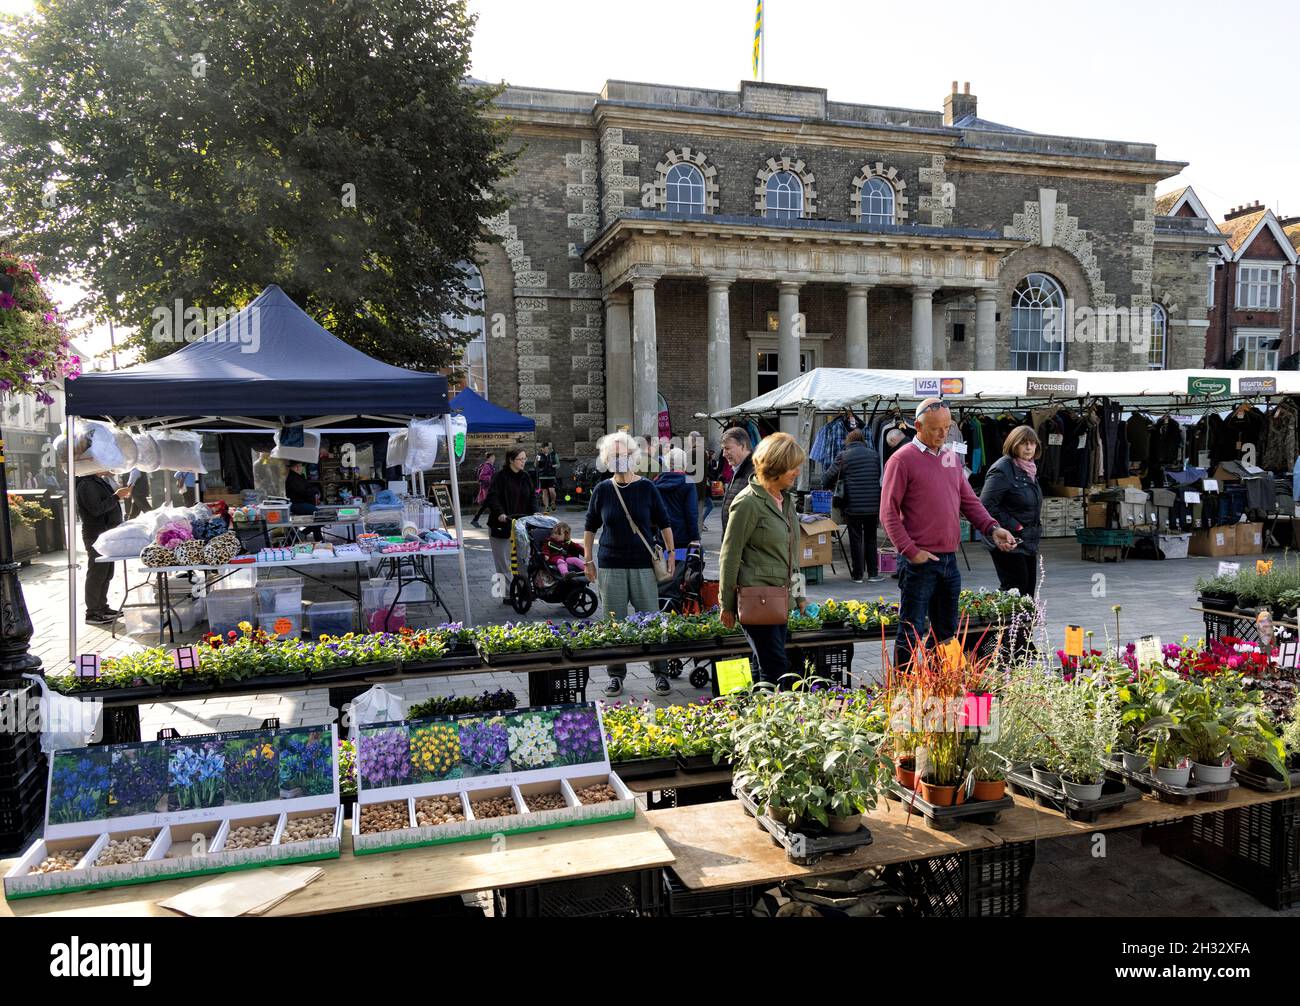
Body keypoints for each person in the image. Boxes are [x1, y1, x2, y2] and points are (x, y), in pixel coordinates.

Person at [880, 398, 1016, 667]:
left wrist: (992, 528)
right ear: (917, 426)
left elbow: (969, 501)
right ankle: (903, 691)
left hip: (949, 561)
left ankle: (938, 686)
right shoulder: (902, 460)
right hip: (920, 562)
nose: (943, 433)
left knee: (946, 633)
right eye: (936, 429)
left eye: (947, 427)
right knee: (911, 631)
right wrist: (911, 551)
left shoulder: (950, 457)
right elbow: (888, 513)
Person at [584, 431, 675, 696]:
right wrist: (588, 559)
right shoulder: (602, 490)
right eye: (613, 456)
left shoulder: (646, 487)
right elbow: (590, 526)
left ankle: (660, 672)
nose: (619, 460)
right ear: (606, 460)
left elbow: (664, 521)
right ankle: (616, 675)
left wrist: (670, 553)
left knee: (651, 621)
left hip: (642, 565)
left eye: (623, 455)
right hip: (611, 564)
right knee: (614, 624)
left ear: (633, 457)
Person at [718, 432, 808, 688]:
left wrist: (799, 596)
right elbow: (730, 555)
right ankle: (776, 722)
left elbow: (793, 555)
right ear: (776, 466)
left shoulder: (786, 500)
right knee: (776, 669)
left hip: (780, 599)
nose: (798, 472)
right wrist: (726, 604)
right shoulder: (747, 502)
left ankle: (759, 719)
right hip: (757, 599)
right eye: (794, 467)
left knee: (764, 666)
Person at [980, 426, 1044, 597]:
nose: (1029, 448)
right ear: (1013, 444)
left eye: (1032, 444)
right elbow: (985, 505)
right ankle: (1002, 621)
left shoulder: (1029, 468)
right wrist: (1015, 526)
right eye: (1024, 444)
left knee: (1027, 589)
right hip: (1007, 539)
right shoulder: (1002, 469)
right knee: (1016, 588)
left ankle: (1024, 623)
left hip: (1028, 539)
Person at [823, 428, 883, 583]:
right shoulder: (874, 455)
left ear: (848, 441)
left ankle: (857, 575)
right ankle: (873, 573)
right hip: (873, 505)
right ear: (863, 440)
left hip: (853, 506)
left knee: (856, 539)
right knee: (871, 538)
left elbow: (827, 478)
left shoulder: (843, 456)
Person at [76, 470, 131, 624]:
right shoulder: (86, 483)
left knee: (106, 572)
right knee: (97, 572)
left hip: (106, 533)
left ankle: (101, 606)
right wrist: (116, 496)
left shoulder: (97, 481)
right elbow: (96, 509)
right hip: (96, 534)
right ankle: (93, 612)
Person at [486, 448, 536, 602]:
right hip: (501, 524)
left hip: (520, 524)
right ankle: (505, 594)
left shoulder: (526, 476)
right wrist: (500, 513)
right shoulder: (499, 477)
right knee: (503, 562)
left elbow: (532, 497)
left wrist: (535, 512)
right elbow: (492, 497)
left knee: (522, 559)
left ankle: (523, 589)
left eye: (524, 458)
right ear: (511, 460)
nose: (523, 461)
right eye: (520, 459)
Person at [654, 447, 700, 559]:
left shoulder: (656, 482)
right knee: (681, 570)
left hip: (662, 535)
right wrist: (695, 537)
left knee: (664, 571)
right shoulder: (688, 483)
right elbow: (691, 512)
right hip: (683, 535)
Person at [719, 426, 754, 537]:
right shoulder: (738, 470)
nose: (724, 454)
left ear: (743, 446)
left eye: (727, 448)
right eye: (723, 449)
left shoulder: (755, 474)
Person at [470, 453, 497, 527]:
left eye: (494, 458)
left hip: (489, 489)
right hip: (487, 489)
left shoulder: (490, 466)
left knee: (486, 506)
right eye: (492, 458)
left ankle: (475, 520)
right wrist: (491, 477)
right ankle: (477, 520)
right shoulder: (487, 466)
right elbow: (482, 476)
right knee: (490, 505)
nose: (494, 459)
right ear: (488, 458)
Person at [536, 442, 559, 513]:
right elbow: (536, 465)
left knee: (551, 490)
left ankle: (552, 502)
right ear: (542, 449)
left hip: (551, 476)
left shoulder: (554, 454)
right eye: (545, 448)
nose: (547, 450)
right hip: (542, 476)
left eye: (548, 448)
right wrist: (537, 459)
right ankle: (546, 507)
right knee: (544, 492)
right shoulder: (539, 455)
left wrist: (554, 466)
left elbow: (558, 464)